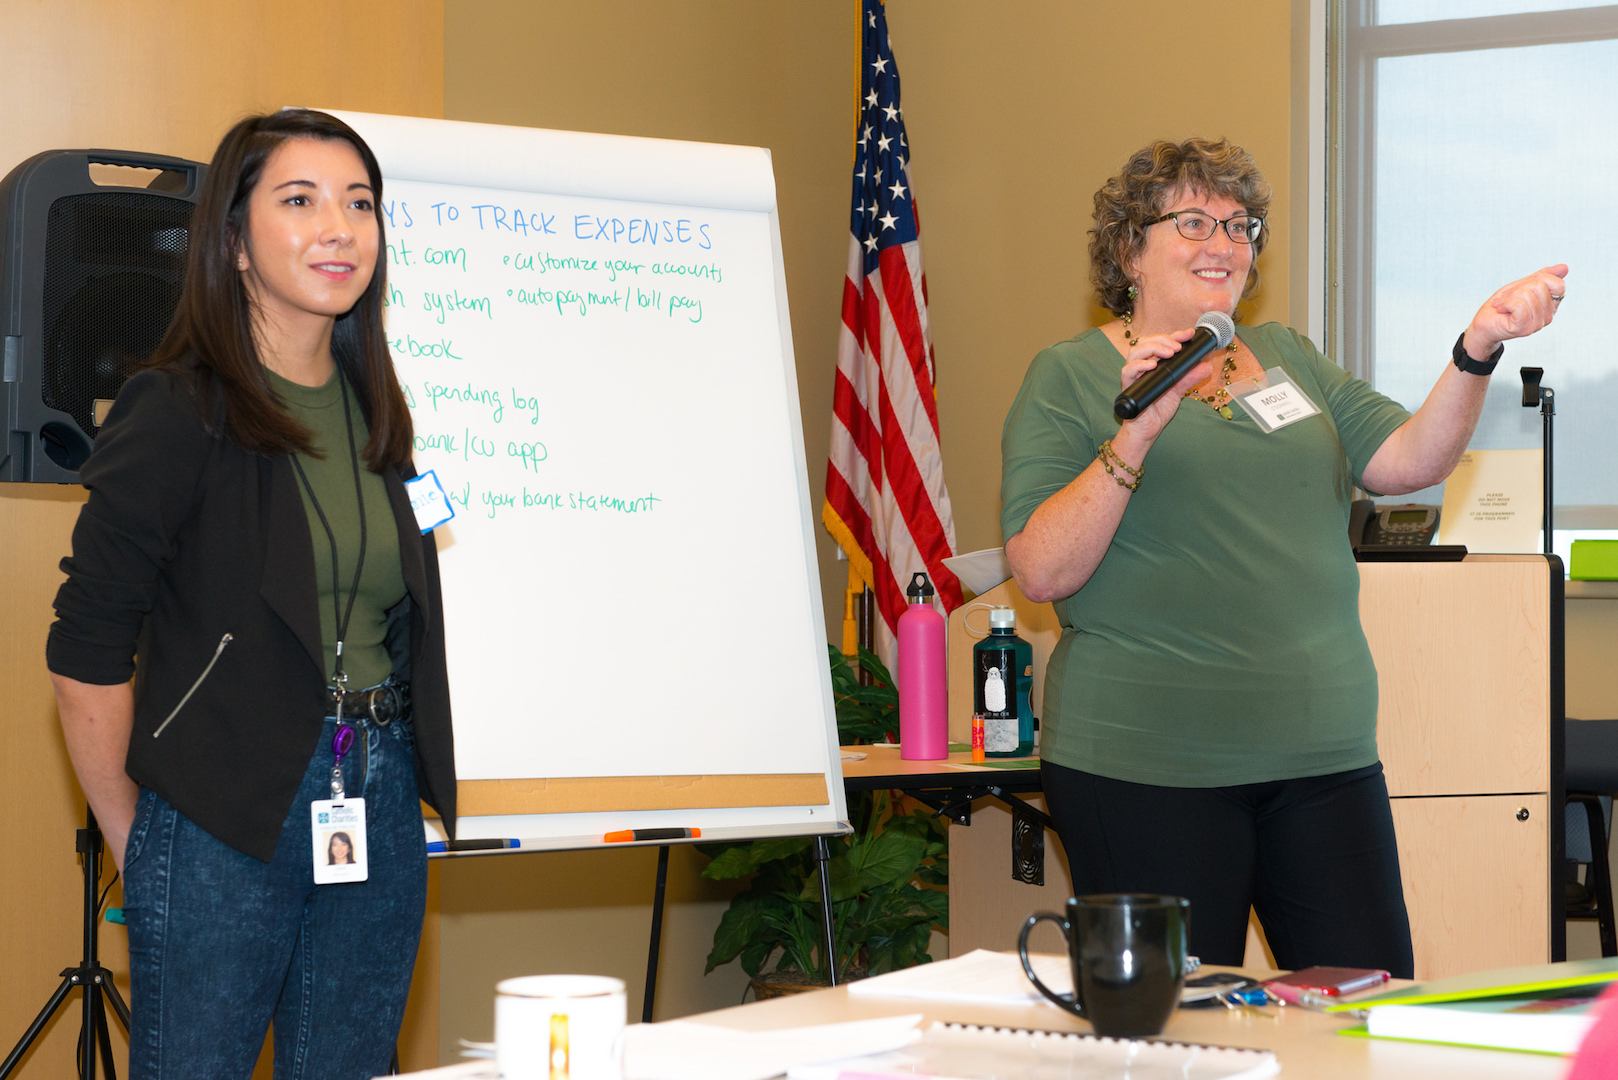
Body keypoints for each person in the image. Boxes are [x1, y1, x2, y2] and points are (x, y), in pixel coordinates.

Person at [1000, 137, 1564, 975]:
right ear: (1130, 249)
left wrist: (1477, 345)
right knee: (1176, 1040)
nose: (1223, 243)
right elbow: (1043, 569)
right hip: (1147, 765)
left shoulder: (1291, 358)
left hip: (1324, 758)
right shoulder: (1073, 376)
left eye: (1241, 225)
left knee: (1366, 1022)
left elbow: (1410, 462)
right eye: (1193, 220)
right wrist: (1144, 425)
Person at [46, 109, 457, 1079]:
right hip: (221, 811)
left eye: (360, 204)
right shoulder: (178, 407)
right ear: (233, 242)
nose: (340, 228)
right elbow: (86, 649)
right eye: (301, 200)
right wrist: (138, 840)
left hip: (378, 789)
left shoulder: (377, 415)